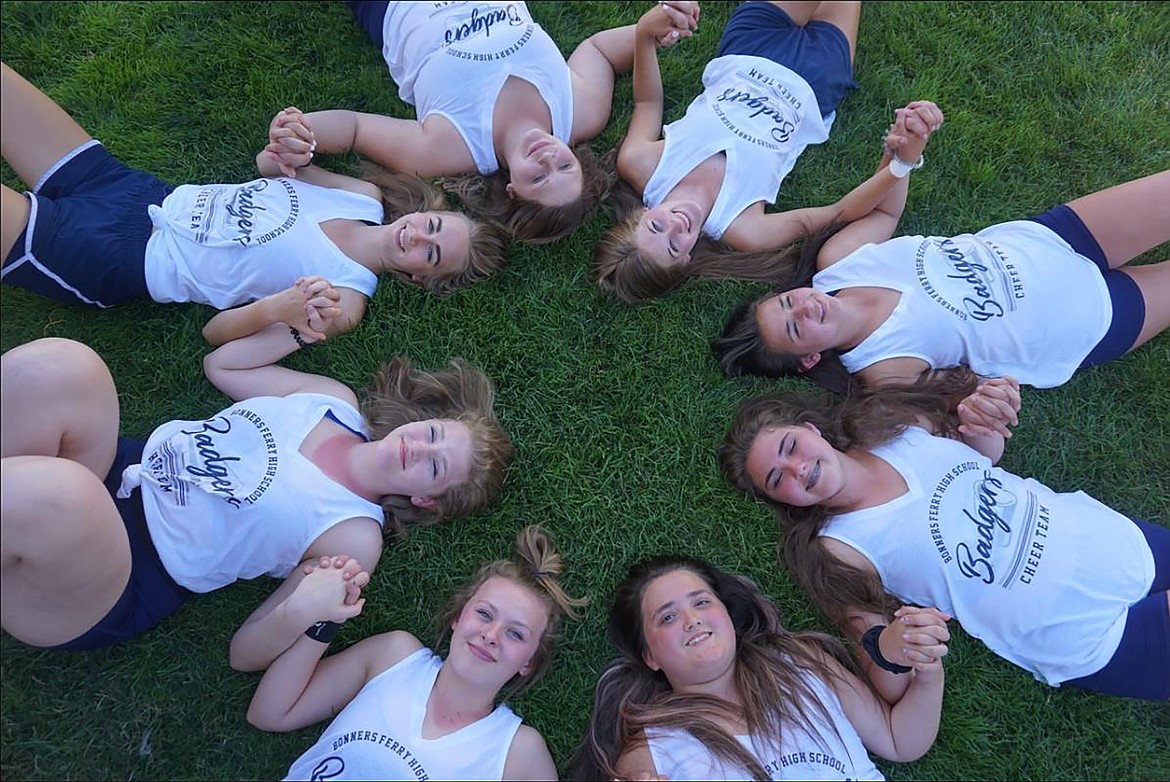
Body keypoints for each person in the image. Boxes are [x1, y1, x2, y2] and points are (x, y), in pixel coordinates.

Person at [0, 308, 513, 666]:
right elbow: (220, 365)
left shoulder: (355, 535)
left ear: (425, 499)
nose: (417, 449)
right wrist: (293, 325)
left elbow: (245, 651)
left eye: (434, 467)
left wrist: (305, 609)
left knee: (65, 496)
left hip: (124, 574)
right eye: (431, 435)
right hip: (120, 471)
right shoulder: (331, 401)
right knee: (66, 367)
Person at [718, 376, 1170, 701]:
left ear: (811, 429)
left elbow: (982, 462)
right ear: (787, 502)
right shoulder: (839, 549)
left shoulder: (891, 424)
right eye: (779, 479)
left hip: (1113, 541)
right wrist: (899, 643)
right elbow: (884, 667)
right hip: (1078, 631)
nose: (799, 468)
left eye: (791, 446)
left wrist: (988, 419)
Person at [0, 63, 507, 341]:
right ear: (425, 211)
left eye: (431, 253)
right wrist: (288, 141)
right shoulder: (364, 198)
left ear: (421, 277)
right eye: (434, 225)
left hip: (115, 257)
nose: (418, 236)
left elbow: (217, 338)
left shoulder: (346, 299)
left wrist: (278, 309)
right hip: (135, 190)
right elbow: (278, 170)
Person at [594, 0, 944, 304]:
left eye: (656, 227)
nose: (675, 226)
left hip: (749, 47)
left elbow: (648, 101)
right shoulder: (743, 229)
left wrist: (644, 33)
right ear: (686, 260)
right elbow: (838, 212)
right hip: (816, 81)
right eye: (674, 246)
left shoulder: (642, 164)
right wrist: (901, 163)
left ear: (640, 215)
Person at [266, 1, 699, 244]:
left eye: (539, 178)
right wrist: (653, 27)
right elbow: (602, 50)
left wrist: (302, 132)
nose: (547, 158)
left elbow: (357, 128)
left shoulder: (450, 148)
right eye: (564, 166)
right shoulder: (582, 111)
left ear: (512, 188)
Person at [712, 169, 1170, 394]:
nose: (806, 307)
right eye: (795, 327)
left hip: (1047, 240)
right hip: (1084, 320)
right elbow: (960, 400)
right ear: (810, 359)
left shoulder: (838, 263)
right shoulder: (885, 367)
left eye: (789, 302)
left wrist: (902, 157)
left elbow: (887, 211)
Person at [248, 524, 585, 781]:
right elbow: (269, 713)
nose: (491, 635)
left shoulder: (517, 753)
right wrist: (325, 623)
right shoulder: (394, 658)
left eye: (515, 633)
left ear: (529, 661)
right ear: (458, 617)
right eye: (484, 614)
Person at [567, 555, 947, 780]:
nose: (692, 620)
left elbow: (900, 742)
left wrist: (927, 671)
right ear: (650, 656)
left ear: (727, 615)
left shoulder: (801, 665)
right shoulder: (651, 754)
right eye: (667, 617)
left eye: (701, 603)